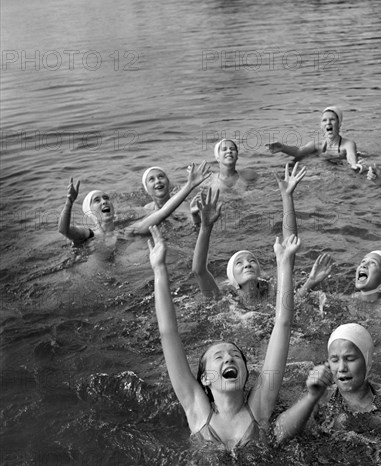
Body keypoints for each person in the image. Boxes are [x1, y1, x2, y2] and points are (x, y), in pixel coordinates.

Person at [148, 224, 300, 450]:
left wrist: (284, 264)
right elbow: (167, 333)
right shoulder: (196, 408)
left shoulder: (260, 407)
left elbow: (283, 324)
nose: (229, 359)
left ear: (247, 373)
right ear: (205, 379)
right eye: (218, 357)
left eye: (235, 355)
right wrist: (159, 269)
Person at [191, 163, 332, 302]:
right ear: (232, 277)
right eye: (239, 263)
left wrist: (287, 197)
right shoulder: (225, 301)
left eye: (252, 261)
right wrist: (205, 227)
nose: (247, 264)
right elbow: (199, 271)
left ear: (259, 272)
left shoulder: (271, 294)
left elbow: (289, 250)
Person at [58, 161, 211, 244]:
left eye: (106, 198)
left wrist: (189, 185)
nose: (104, 201)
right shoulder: (88, 235)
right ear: (89, 211)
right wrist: (69, 203)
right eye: (97, 200)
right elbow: (64, 230)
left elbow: (164, 212)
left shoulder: (127, 231)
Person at [266, 106, 364, 171]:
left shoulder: (348, 144)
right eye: (324, 120)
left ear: (339, 124)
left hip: (341, 168)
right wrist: (282, 147)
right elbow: (299, 152)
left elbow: (350, 155)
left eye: (332, 119)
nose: (328, 123)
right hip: (324, 168)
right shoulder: (317, 145)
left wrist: (354, 165)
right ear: (321, 126)